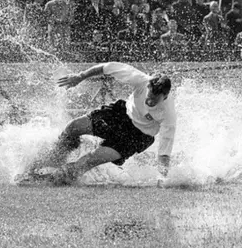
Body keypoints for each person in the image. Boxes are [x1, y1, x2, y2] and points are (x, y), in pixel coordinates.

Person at [19, 62, 176, 185]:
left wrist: (161, 179)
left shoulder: (168, 114)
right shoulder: (141, 79)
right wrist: (80, 76)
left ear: (166, 96)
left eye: (155, 100)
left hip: (136, 137)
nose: (149, 101)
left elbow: (164, 152)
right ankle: (54, 157)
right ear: (148, 85)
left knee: (89, 160)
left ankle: (53, 180)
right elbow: (107, 67)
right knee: (73, 127)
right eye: (149, 95)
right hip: (120, 114)